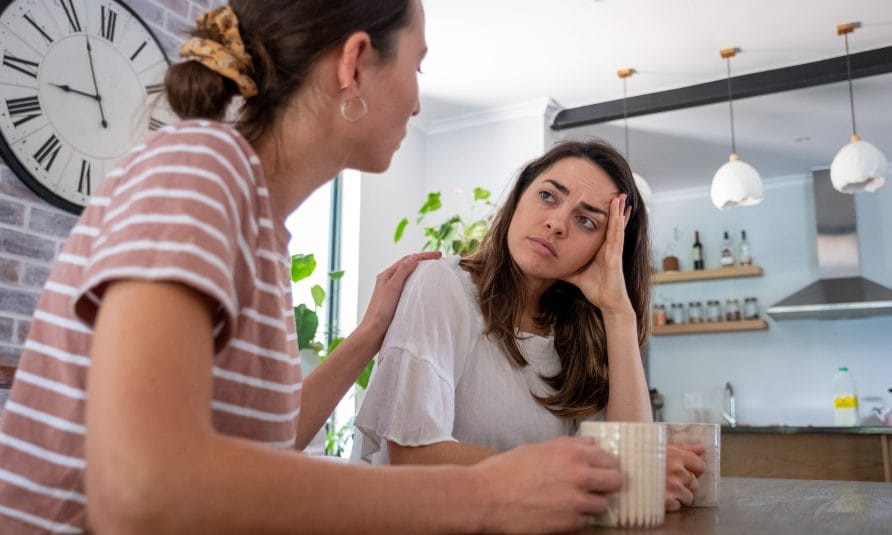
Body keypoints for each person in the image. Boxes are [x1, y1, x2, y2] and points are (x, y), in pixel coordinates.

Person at [0, 2, 626, 533]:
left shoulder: (254, 221)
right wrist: (487, 494)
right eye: (418, 66)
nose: (415, 100)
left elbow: (273, 442)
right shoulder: (198, 166)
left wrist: (368, 334)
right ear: (355, 64)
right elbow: (139, 489)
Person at [354, 140, 706, 511]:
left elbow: (634, 470)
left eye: (586, 221)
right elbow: (412, 455)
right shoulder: (441, 284)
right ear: (519, 197)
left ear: (605, 248)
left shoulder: (580, 332)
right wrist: (611, 475)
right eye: (548, 197)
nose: (556, 223)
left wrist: (619, 312)